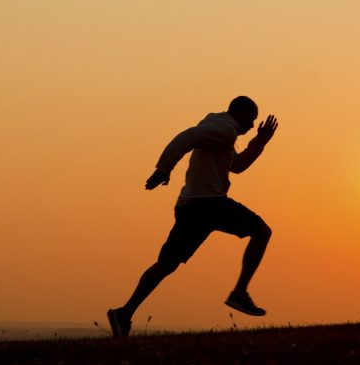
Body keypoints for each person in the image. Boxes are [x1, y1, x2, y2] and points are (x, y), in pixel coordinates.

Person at [108, 96, 278, 337]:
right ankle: (239, 293)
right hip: (207, 204)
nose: (252, 126)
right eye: (251, 120)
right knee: (262, 231)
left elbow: (237, 165)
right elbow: (187, 137)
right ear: (238, 113)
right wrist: (163, 168)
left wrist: (259, 141)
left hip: (191, 206)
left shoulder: (220, 131)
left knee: (167, 264)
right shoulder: (224, 129)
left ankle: (123, 314)